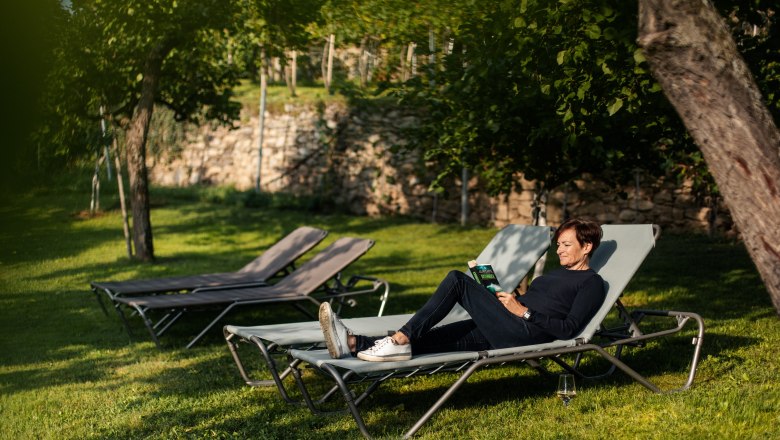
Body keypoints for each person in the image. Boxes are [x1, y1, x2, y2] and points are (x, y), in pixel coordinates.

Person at [319, 218, 605, 362]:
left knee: (457, 279)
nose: (560, 250)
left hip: (522, 333)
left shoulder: (590, 283)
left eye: (566, 245)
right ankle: (354, 343)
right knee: (433, 339)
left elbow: (568, 329)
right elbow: (533, 303)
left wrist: (524, 312)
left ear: (587, 247)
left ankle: (401, 336)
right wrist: (501, 297)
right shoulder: (555, 275)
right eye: (558, 245)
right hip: (505, 324)